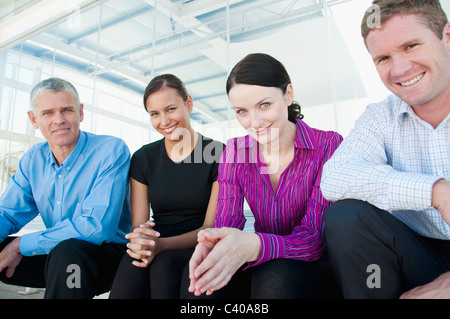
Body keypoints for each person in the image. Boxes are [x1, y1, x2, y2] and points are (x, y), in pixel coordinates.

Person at [320, 0, 450, 299]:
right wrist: (436, 192)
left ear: (447, 37)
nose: (400, 69)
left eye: (411, 46)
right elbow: (336, 177)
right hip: (419, 253)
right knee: (346, 216)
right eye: (383, 58)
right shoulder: (381, 116)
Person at [185, 53, 343, 299]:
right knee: (202, 281)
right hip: (261, 262)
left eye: (264, 105)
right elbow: (227, 224)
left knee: (274, 276)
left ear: (288, 94)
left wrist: (255, 245)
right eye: (241, 111)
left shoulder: (328, 145)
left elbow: (315, 240)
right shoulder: (234, 151)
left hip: (315, 267)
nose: (254, 122)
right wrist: (211, 245)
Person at [0, 77, 131, 298]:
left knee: (69, 253)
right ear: (34, 119)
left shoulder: (110, 150)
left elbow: (96, 228)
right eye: (48, 113)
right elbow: (7, 213)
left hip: (105, 258)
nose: (59, 120)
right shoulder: (33, 159)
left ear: (80, 112)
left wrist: (20, 245)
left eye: (67, 110)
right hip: (56, 256)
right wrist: (16, 246)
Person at [109, 74, 223, 299]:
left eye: (171, 109)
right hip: (155, 243)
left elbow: (211, 227)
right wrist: (142, 242)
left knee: (164, 267)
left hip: (199, 243)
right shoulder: (143, 158)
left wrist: (160, 246)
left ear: (188, 103)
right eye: (155, 114)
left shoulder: (219, 154)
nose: (164, 121)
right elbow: (138, 225)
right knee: (130, 274)